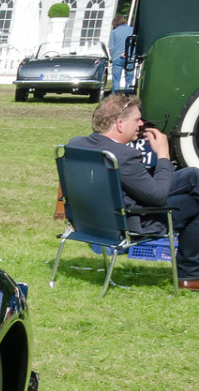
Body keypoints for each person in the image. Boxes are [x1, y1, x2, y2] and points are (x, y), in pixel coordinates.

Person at [68, 95, 199, 288]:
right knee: (196, 202)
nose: (141, 124)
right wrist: (163, 155)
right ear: (120, 124)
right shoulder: (123, 156)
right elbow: (158, 197)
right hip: (132, 223)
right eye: (137, 120)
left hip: (92, 221)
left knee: (192, 175)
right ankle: (189, 276)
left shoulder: (76, 144)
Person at [110, 14, 136, 89]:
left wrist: (113, 57)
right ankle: (128, 94)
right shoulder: (132, 30)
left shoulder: (114, 32)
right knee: (129, 80)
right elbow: (136, 44)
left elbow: (111, 47)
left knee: (116, 80)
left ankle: (116, 95)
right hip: (130, 57)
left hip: (117, 58)